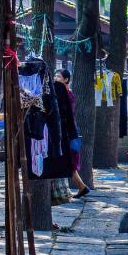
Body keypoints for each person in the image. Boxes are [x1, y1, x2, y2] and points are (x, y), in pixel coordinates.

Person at [54, 69, 91, 198]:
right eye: (55, 76)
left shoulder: (66, 94)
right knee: (69, 162)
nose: (56, 78)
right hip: (70, 130)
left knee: (69, 162)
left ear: (66, 80)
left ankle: (82, 187)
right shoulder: (64, 92)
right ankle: (82, 187)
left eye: (58, 76)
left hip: (69, 132)